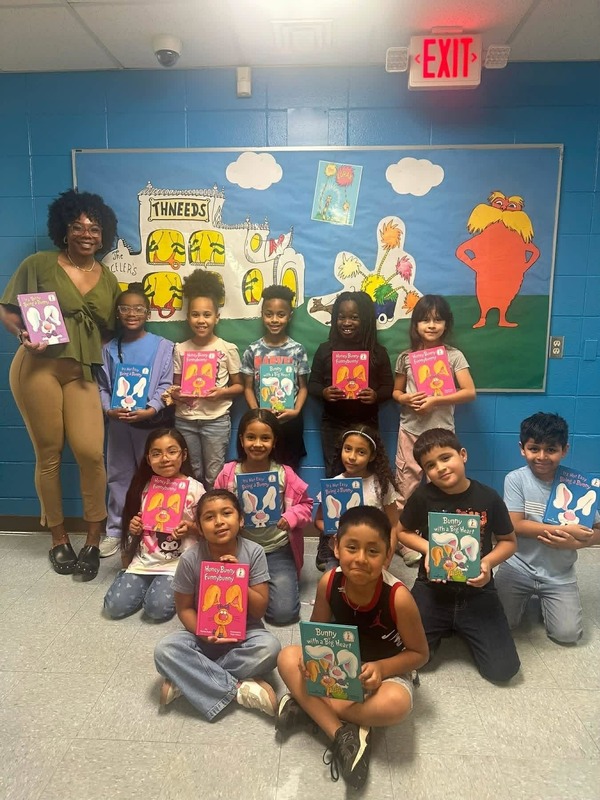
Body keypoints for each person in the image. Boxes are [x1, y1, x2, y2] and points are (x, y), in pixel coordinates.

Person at [0, 189, 121, 579]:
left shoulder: (109, 277)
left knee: (90, 454)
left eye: (94, 227)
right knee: (49, 453)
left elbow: (110, 329)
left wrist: (93, 348)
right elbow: (6, 310)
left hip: (81, 372)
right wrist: (23, 336)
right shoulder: (40, 263)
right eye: (77, 226)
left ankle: (92, 536)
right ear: (64, 230)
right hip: (38, 368)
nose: (87, 233)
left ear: (104, 235)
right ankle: (57, 538)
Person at [276, 506, 428, 791]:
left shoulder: (398, 598)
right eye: (352, 547)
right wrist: (308, 660)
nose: (360, 559)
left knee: (398, 704)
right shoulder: (329, 581)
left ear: (387, 554)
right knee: (286, 657)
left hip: (384, 674)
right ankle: (341, 734)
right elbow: (317, 636)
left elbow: (420, 654)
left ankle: (308, 707)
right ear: (336, 547)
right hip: (337, 673)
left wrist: (382, 668)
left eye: (372, 551)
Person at [397, 427, 521, 683]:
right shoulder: (423, 496)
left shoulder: (489, 497)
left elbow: (509, 542)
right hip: (432, 588)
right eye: (430, 465)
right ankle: (447, 625)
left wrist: (487, 563)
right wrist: (429, 549)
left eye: (445, 457)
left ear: (462, 455)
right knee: (417, 659)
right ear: (425, 472)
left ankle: (460, 625)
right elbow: (403, 532)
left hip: (478, 591)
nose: (440, 468)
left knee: (503, 671)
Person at [154, 489, 281, 719]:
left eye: (226, 513)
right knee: (165, 650)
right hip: (203, 634)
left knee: (270, 648)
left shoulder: (254, 552)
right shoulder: (191, 558)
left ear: (240, 520)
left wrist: (238, 579)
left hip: (245, 633)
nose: (219, 522)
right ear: (200, 528)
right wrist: (202, 634)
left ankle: (189, 679)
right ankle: (238, 689)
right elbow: (184, 609)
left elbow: (259, 609)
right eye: (209, 517)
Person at [494, 412, 600, 644]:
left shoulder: (578, 485)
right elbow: (516, 524)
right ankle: (529, 598)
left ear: (564, 450)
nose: (542, 456)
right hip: (517, 567)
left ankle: (548, 601)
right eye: (534, 449)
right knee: (502, 624)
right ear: (522, 448)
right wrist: (567, 530)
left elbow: (598, 531)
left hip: (558, 573)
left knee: (567, 635)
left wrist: (578, 542)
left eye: (551, 449)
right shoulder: (516, 479)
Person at [308, 290, 393, 570]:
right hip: (334, 424)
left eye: (354, 317)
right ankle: (328, 539)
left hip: (367, 424)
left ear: (366, 319)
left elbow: (389, 387)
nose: (347, 322)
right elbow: (312, 385)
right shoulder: (325, 350)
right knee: (335, 476)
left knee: (369, 479)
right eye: (342, 316)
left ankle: (370, 537)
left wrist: (376, 395)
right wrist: (325, 392)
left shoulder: (377, 353)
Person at [393, 295, 476, 566]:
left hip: (440, 434)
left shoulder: (454, 356)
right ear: (415, 324)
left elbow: (469, 392)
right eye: (425, 319)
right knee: (406, 486)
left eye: (437, 319)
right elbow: (396, 390)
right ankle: (405, 542)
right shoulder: (406, 357)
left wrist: (436, 399)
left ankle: (441, 537)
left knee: (443, 485)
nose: (431, 325)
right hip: (410, 431)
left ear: (446, 324)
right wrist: (404, 398)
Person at [214, 409, 313, 625]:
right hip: (240, 548)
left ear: (274, 441)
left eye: (265, 438)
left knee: (283, 615)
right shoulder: (229, 473)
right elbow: (214, 507)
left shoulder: (284, 473)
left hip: (277, 550)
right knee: (221, 606)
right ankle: (257, 584)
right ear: (241, 439)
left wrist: (291, 516)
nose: (257, 444)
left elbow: (307, 505)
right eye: (251, 437)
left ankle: (264, 584)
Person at [97, 283, 174, 558]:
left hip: (150, 424)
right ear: (118, 313)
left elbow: (167, 383)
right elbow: (103, 387)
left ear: (148, 312)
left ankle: (153, 527)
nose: (132, 314)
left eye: (138, 308)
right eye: (126, 309)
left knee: (154, 474)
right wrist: (108, 410)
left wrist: (151, 409)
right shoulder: (109, 348)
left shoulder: (164, 346)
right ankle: (116, 530)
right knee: (118, 476)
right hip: (119, 424)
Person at [103, 428, 204, 621]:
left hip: (177, 563)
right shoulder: (144, 486)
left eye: (172, 451)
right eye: (156, 454)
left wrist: (190, 527)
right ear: (148, 459)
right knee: (114, 608)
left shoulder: (195, 488)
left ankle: (171, 587)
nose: (165, 458)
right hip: (145, 560)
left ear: (183, 455)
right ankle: (137, 582)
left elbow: (205, 530)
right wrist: (135, 527)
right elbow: (136, 522)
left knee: (156, 610)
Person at [170, 270, 243, 489]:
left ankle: (212, 516)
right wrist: (176, 393)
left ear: (216, 317)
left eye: (207, 315)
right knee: (191, 472)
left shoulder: (227, 348)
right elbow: (175, 386)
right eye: (195, 314)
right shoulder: (181, 349)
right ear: (188, 317)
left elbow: (239, 386)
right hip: (186, 420)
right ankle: (193, 517)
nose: (201, 320)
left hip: (216, 419)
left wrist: (222, 392)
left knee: (214, 474)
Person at [240, 284, 310, 471]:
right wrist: (257, 414)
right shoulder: (253, 350)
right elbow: (247, 387)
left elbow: (303, 387)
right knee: (262, 468)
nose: (274, 320)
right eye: (269, 314)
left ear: (290, 316)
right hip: (261, 424)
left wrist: (295, 411)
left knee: (289, 470)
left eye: (281, 314)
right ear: (262, 314)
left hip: (290, 422)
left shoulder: (297, 349)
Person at [314, 425, 400, 570]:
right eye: (347, 449)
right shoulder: (333, 485)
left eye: (361, 452)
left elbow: (394, 525)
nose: (352, 457)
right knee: (333, 584)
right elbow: (318, 520)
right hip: (338, 553)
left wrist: (386, 559)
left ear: (372, 456)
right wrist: (334, 530)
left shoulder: (381, 485)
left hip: (372, 552)